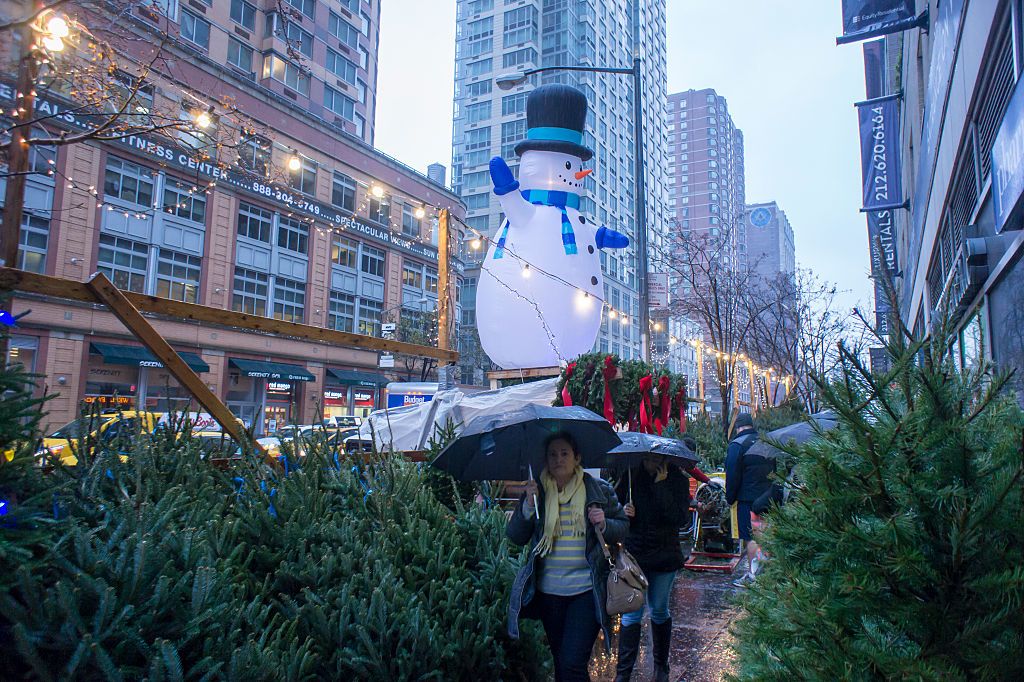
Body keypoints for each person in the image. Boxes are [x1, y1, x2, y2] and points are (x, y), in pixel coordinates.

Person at [507, 432, 629, 682]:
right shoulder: (538, 491)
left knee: (572, 663)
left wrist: (605, 523)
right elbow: (516, 536)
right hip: (549, 594)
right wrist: (528, 507)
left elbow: (624, 526)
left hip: (586, 592)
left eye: (564, 453)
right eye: (552, 454)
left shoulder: (598, 489)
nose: (558, 459)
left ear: (577, 458)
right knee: (562, 664)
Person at [612, 453, 691, 682]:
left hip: (664, 556)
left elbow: (679, 518)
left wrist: (661, 486)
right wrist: (624, 513)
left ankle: (661, 667)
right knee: (631, 614)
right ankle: (623, 674)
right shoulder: (629, 477)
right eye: (649, 460)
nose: (653, 465)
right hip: (636, 557)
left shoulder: (677, 480)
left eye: (658, 460)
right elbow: (615, 516)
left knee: (658, 608)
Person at [724, 413, 774, 586]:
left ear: (738, 427)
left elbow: (732, 475)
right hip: (767, 498)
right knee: (765, 536)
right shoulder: (765, 442)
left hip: (747, 500)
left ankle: (753, 576)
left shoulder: (737, 445)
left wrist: (730, 498)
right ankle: (766, 574)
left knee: (750, 537)